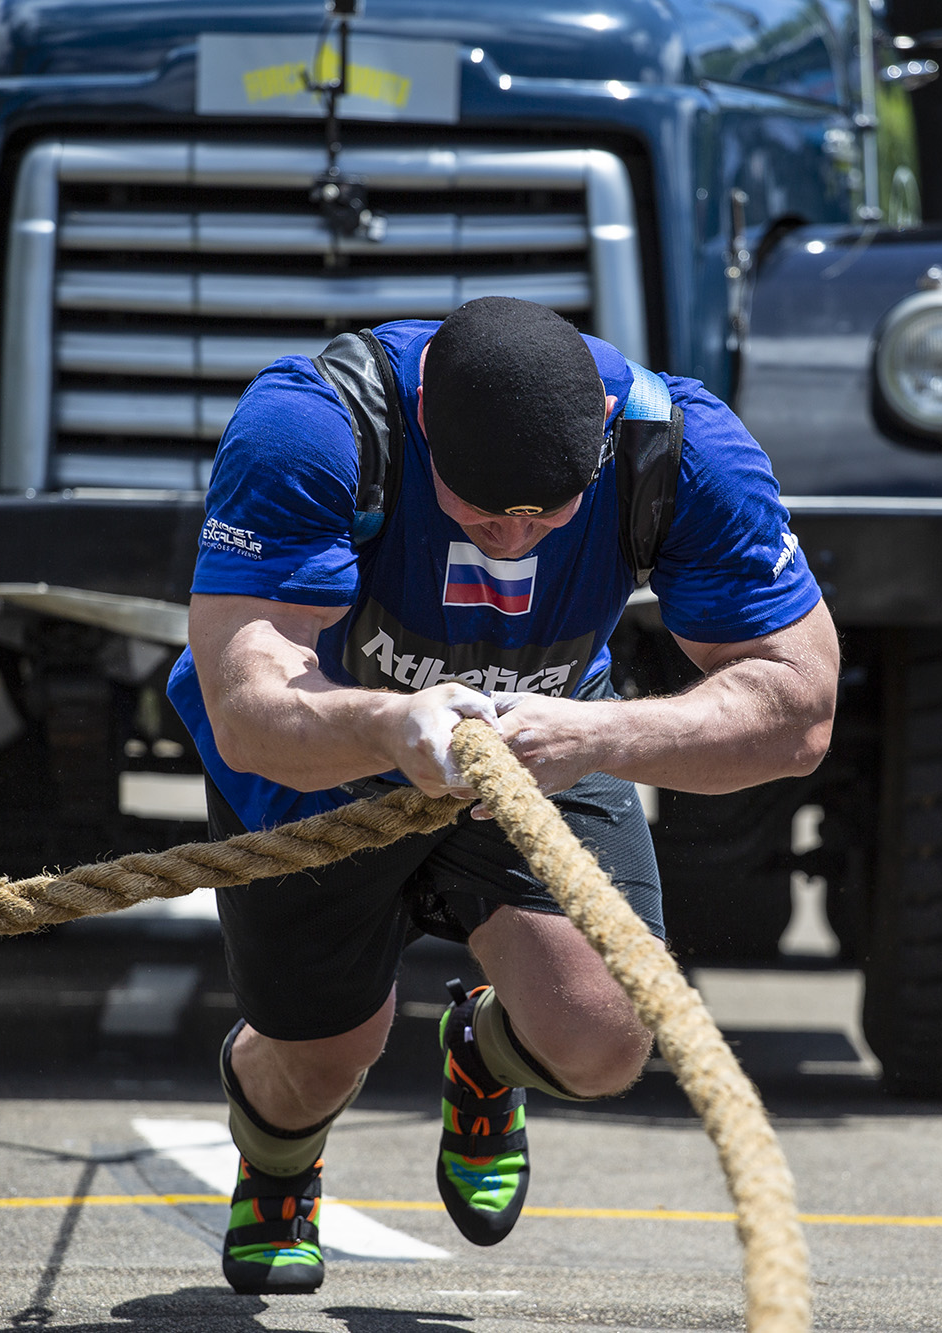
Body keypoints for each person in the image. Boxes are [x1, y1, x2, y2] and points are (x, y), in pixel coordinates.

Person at [166, 296, 838, 1294]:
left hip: (550, 737)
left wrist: (598, 735)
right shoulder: (313, 426)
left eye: (546, 516)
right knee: (319, 1058)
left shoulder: (679, 449)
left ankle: (482, 1052)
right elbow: (247, 703)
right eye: (484, 515)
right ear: (428, 426)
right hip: (328, 751)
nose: (516, 542)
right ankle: (277, 1164)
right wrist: (389, 723)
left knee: (604, 1037)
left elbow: (799, 709)